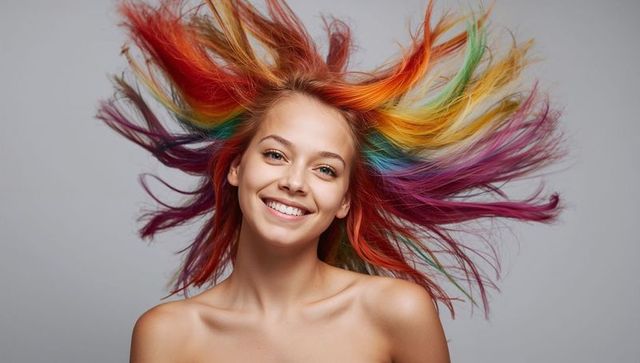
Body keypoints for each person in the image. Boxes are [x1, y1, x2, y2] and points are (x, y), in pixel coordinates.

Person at [97, 0, 564, 361]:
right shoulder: (168, 333)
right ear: (236, 167)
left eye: (325, 169)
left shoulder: (396, 312)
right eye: (276, 154)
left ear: (343, 200)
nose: (295, 182)